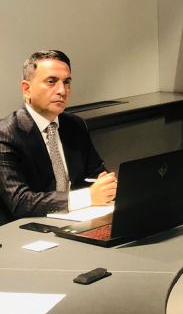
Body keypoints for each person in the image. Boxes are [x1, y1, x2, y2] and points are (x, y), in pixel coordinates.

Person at [0, 50, 117, 224]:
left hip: (76, 220)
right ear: (27, 89)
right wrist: (88, 196)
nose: (62, 90)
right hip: (26, 229)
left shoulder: (75, 125)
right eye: (51, 82)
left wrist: (107, 185)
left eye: (66, 82)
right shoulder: (6, 134)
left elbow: (96, 173)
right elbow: (20, 202)